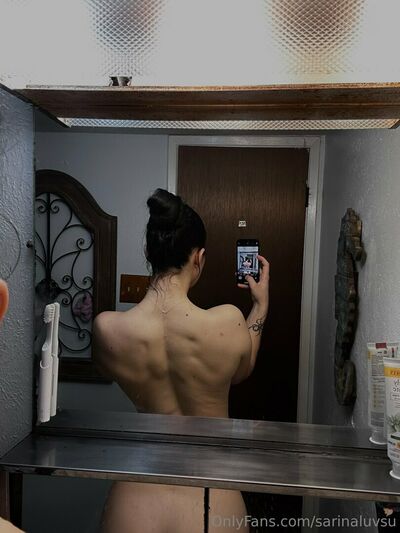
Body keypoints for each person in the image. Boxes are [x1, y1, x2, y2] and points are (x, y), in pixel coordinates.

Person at [93, 189, 269, 533]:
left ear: (148, 252)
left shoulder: (107, 329)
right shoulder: (230, 321)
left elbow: (107, 367)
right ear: (199, 258)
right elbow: (243, 369)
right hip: (212, 495)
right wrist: (260, 305)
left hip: (137, 497)